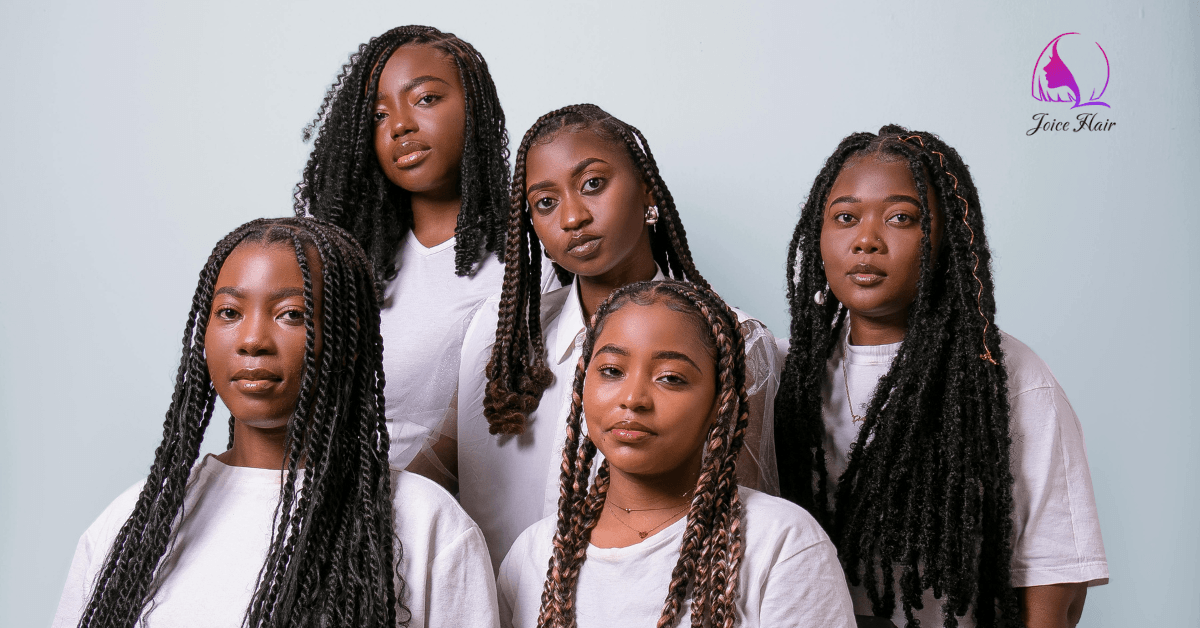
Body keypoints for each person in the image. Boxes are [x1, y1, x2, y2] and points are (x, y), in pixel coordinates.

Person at [52, 218, 498, 628]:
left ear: (349, 341)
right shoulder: (131, 524)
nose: (252, 340)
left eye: (292, 314)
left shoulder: (428, 525)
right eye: (229, 312)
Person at [774, 126, 1108, 628]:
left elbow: (1054, 569)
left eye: (901, 218)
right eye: (845, 217)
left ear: (947, 237)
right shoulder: (790, 373)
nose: (866, 240)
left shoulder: (1006, 376)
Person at [456, 104, 781, 568]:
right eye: (545, 202)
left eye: (593, 184)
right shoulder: (502, 334)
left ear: (647, 187)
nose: (572, 217)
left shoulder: (733, 339)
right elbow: (451, 464)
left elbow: (743, 526)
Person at [499, 280, 854, 628]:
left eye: (670, 377)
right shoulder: (534, 553)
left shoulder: (782, 544)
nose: (632, 398)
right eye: (611, 371)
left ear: (720, 404)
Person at [295, 25, 527, 470]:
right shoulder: (356, 260)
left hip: (438, 518)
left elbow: (481, 431)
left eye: (425, 99)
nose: (400, 125)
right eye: (379, 115)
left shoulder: (526, 261)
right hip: (332, 508)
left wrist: (384, 513)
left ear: (475, 108)